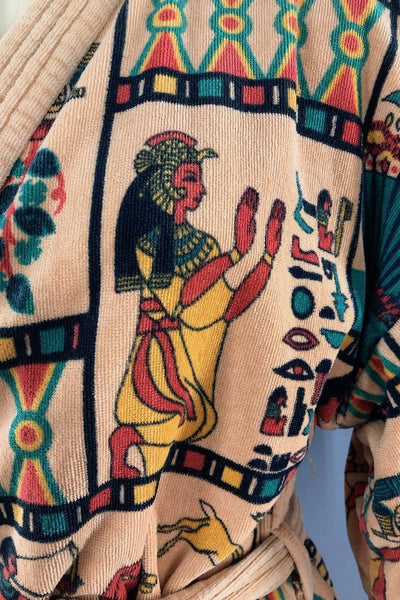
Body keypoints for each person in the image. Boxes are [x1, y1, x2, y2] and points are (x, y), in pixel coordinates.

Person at [0, 1, 399, 598]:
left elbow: (228, 307)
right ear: (162, 182)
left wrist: (260, 253)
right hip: (153, 368)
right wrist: (241, 253)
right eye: (189, 179)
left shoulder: (330, 17)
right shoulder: (145, 238)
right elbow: (185, 299)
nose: (199, 189)